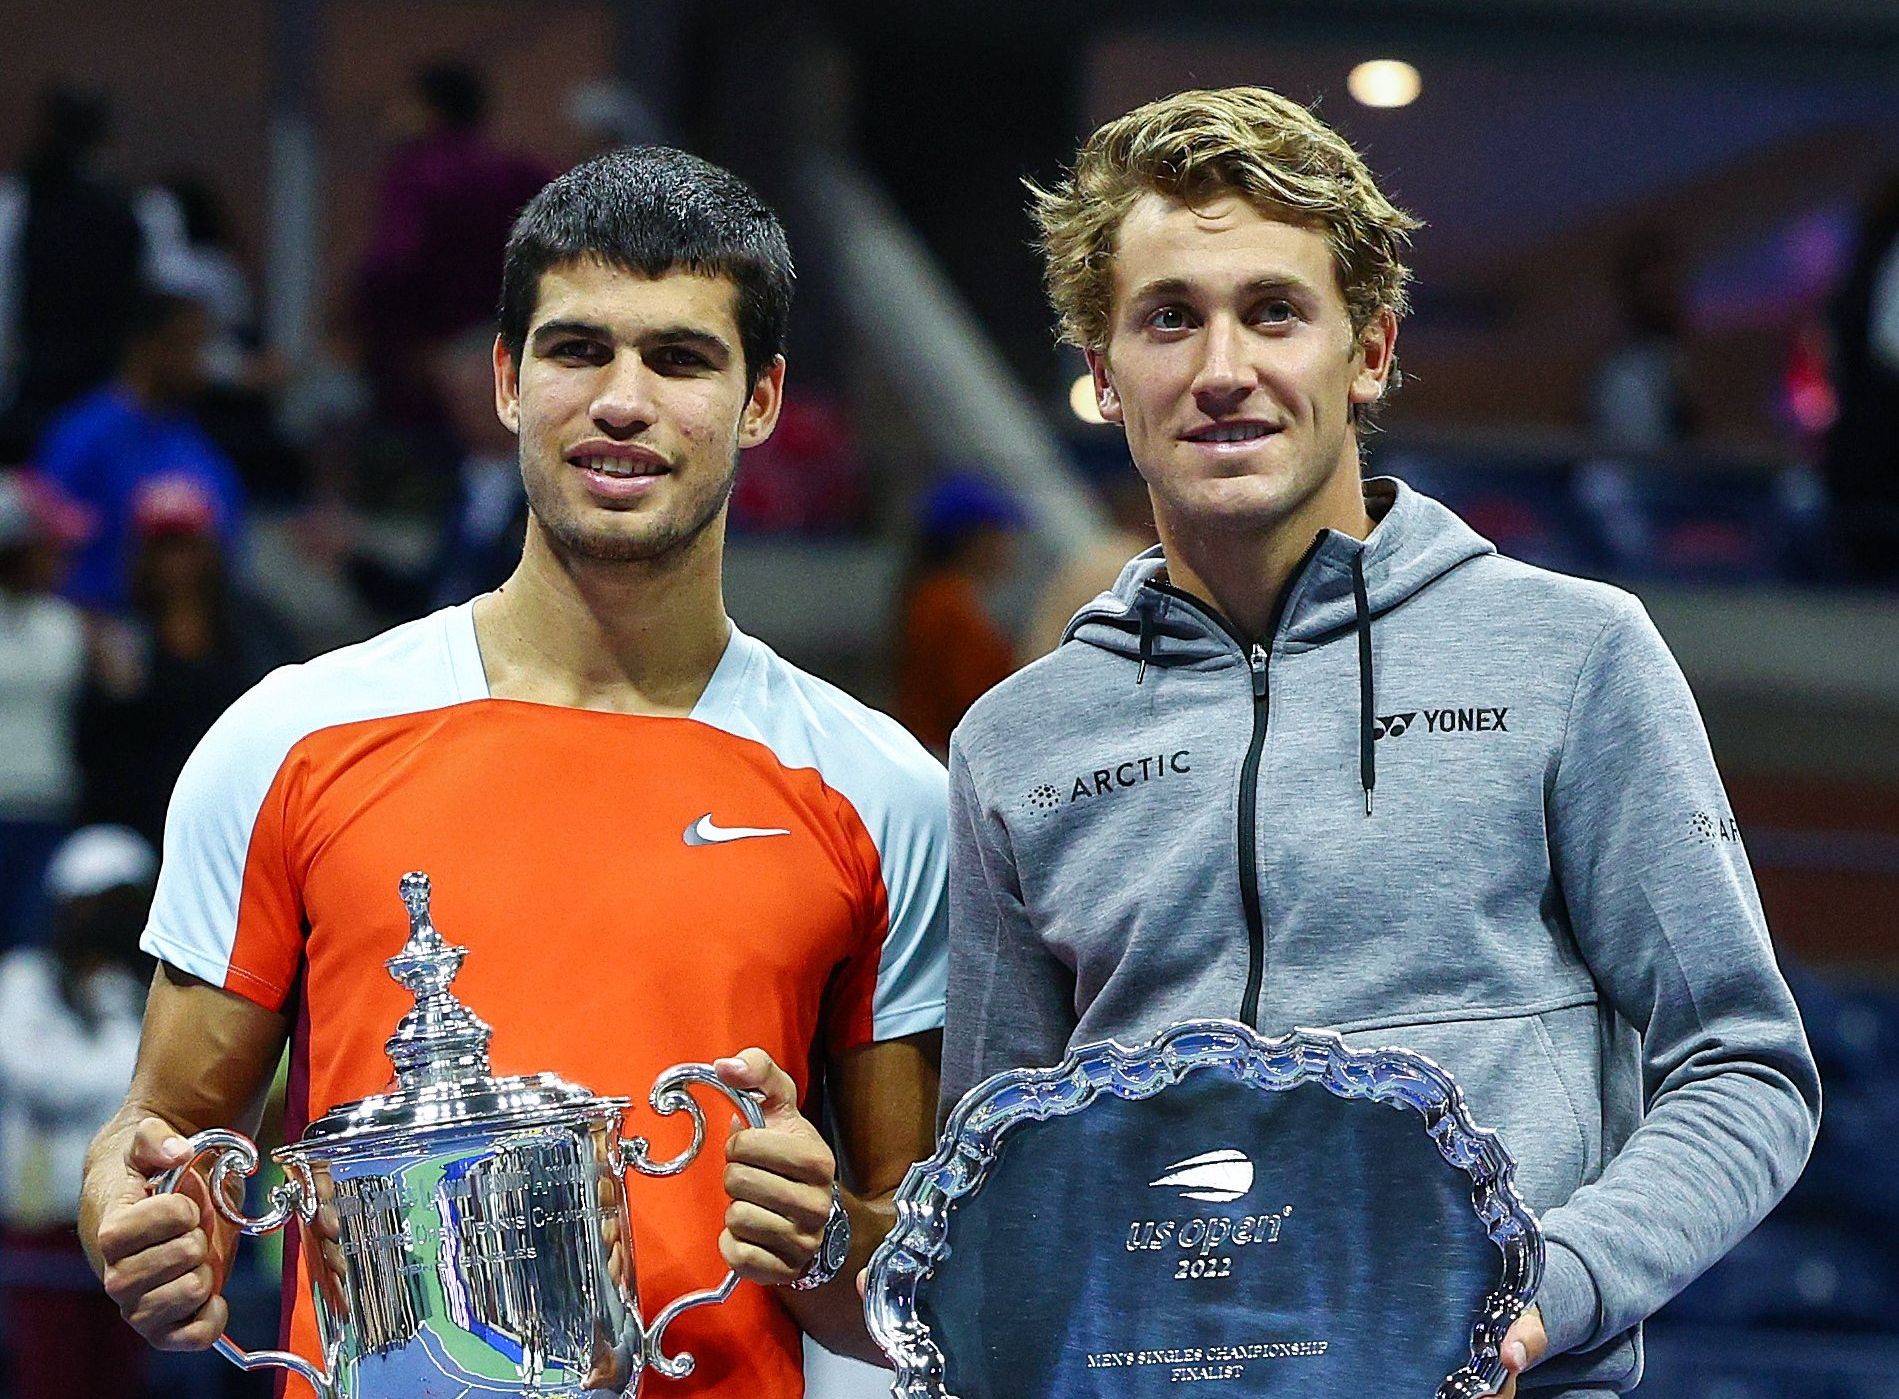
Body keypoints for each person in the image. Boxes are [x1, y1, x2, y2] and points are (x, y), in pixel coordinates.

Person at [939, 87, 1819, 1398]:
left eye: (1272, 312)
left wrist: (1542, 1288)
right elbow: (1003, 1171)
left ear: (1368, 350)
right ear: (1101, 369)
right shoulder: (1016, 742)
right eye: (1169, 317)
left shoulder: (1571, 655)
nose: (1221, 368)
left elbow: (1744, 1067)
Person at [78, 147, 948, 1399]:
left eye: (681, 359)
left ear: (761, 400)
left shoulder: (880, 790)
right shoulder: (290, 741)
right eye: (578, 350)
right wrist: (146, 1222)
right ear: (506, 378)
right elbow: (162, 1135)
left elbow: (918, 1281)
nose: (623, 402)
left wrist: (825, 1241)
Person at [0, 824, 155, 1399]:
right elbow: (38, 1078)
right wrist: (120, 1065)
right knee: (52, 1376)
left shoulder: (145, 990)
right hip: (43, 1224)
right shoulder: (24, 982)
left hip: (127, 1216)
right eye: (97, 905)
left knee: (123, 1377)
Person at [35, 290, 248, 614]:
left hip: (185, 628)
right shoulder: (82, 437)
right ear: (148, 346)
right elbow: (42, 547)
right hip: (91, 622)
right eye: (189, 346)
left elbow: (228, 553)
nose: (199, 364)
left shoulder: (199, 448)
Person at [0, 468, 89, 952]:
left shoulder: (65, 626)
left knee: (28, 950)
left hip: (44, 808)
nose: (59, 559)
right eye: (47, 548)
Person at [893, 471, 1022, 757]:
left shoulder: (937, 595)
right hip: (945, 756)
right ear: (972, 541)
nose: (1008, 547)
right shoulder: (946, 604)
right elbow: (979, 699)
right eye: (998, 535)